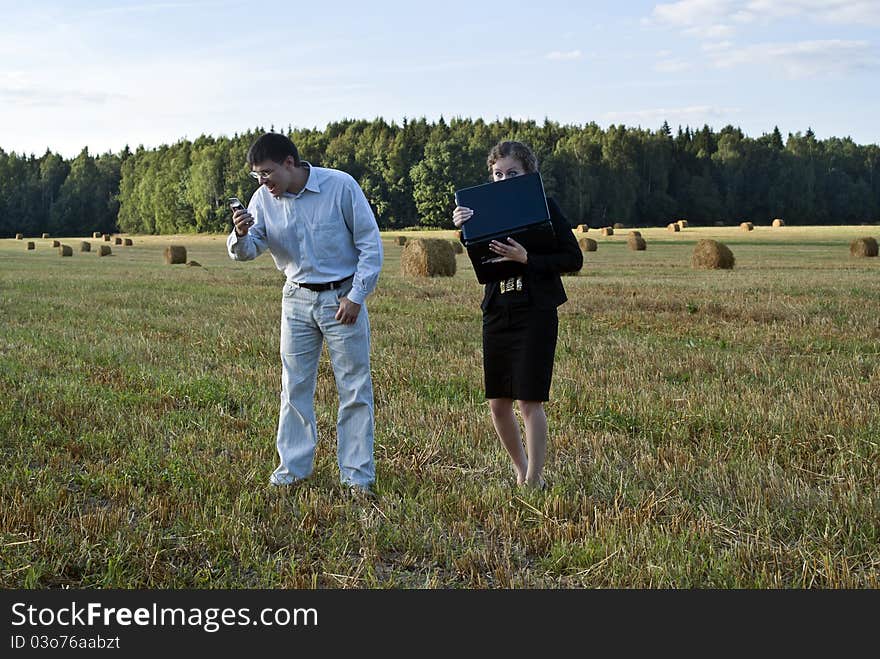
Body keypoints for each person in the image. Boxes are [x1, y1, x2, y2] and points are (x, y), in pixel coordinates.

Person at [227, 132, 383, 497]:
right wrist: (241, 234)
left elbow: (370, 244)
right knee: (294, 386)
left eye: (267, 173)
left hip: (342, 299)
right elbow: (250, 251)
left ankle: (357, 477)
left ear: (289, 163)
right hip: (295, 298)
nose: (263, 183)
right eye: (257, 176)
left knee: (355, 388)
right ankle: (293, 470)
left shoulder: (340, 186)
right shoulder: (263, 199)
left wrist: (356, 297)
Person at [452, 140, 582, 490]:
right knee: (497, 403)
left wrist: (528, 259)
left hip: (536, 311)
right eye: (497, 174)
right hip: (497, 310)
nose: (504, 179)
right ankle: (520, 469)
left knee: (529, 400)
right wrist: (465, 230)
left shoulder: (546, 207)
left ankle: (534, 479)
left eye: (512, 173)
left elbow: (573, 259)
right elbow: (483, 261)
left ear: (529, 174)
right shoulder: (482, 212)